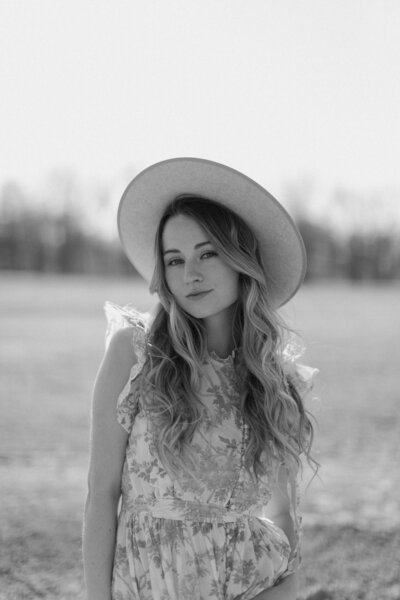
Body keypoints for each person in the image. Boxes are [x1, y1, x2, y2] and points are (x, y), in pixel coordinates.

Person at [83, 157, 319, 600]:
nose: (190, 274)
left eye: (207, 253)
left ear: (240, 259)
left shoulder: (276, 381)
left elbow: (285, 519)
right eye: (174, 260)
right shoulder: (134, 356)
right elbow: (102, 494)